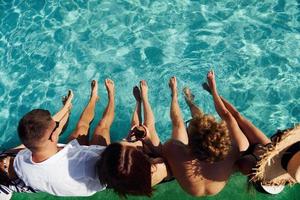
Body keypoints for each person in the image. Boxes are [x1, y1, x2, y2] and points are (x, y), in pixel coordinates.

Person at [13, 79, 115, 196]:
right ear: (54, 135)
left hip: (63, 159)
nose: (58, 124)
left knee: (82, 126)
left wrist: (66, 108)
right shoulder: (89, 160)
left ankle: (93, 98)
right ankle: (111, 97)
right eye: (56, 125)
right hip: (90, 175)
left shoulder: (20, 161)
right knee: (103, 126)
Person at [162, 74, 250, 196]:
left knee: (179, 125)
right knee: (198, 124)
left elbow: (177, 122)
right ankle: (189, 100)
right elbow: (228, 116)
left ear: (190, 140)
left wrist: (173, 92)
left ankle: (179, 96)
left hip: (192, 189)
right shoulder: (234, 151)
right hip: (214, 189)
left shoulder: (173, 148)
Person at [96, 80, 171, 197]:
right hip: (157, 157)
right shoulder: (155, 171)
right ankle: (145, 98)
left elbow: (122, 163)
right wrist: (147, 140)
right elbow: (165, 159)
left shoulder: (114, 173)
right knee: (149, 128)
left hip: (135, 168)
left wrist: (128, 140)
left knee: (134, 131)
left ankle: (138, 102)